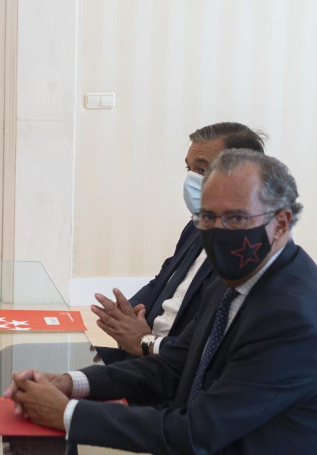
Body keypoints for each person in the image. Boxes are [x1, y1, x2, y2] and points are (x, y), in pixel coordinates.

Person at [5, 150, 317, 455]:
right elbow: (171, 366)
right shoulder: (236, 276)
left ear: (281, 223)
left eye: (235, 218)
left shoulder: (291, 316)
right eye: (208, 216)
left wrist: (66, 415)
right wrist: (72, 384)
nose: (216, 231)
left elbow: (195, 433)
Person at [92, 122, 266, 364]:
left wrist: (143, 341)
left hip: (169, 366)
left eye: (203, 170)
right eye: (189, 169)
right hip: (142, 354)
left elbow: (205, 350)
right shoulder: (197, 226)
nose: (191, 180)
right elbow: (162, 280)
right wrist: (128, 314)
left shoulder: (247, 254)